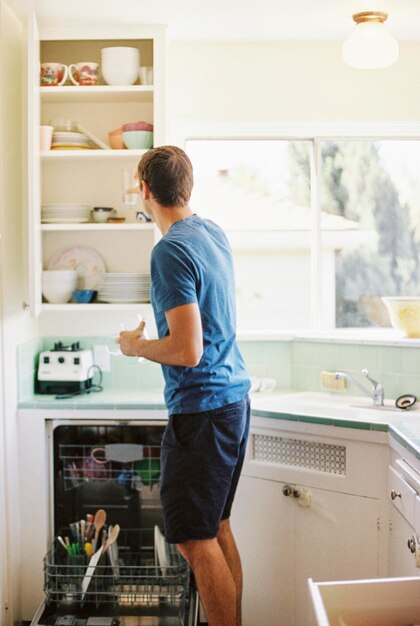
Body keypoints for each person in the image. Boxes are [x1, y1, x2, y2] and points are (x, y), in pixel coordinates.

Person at [117, 145, 251, 626]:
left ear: (146, 190)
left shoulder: (169, 250)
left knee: (195, 540)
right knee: (217, 527)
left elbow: (187, 351)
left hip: (203, 410)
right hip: (233, 402)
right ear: (187, 187)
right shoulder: (211, 232)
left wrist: (136, 347)